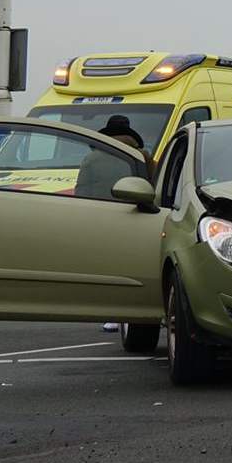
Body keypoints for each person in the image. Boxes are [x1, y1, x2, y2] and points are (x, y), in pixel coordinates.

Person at [82, 115, 144, 333]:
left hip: (101, 220)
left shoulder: (91, 159)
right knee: (134, 270)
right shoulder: (142, 156)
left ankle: (110, 314)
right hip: (136, 219)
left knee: (107, 269)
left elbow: (82, 193)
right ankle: (132, 314)